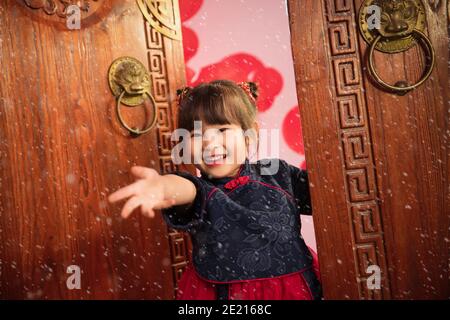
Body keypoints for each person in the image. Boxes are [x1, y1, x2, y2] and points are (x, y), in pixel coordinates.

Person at [108, 80, 322, 300]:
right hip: (221, 294)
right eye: (196, 134)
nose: (209, 143)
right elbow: (185, 188)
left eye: (222, 129)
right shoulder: (202, 190)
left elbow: (329, 194)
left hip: (294, 291)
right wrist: (163, 186)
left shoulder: (279, 175)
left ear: (250, 133)